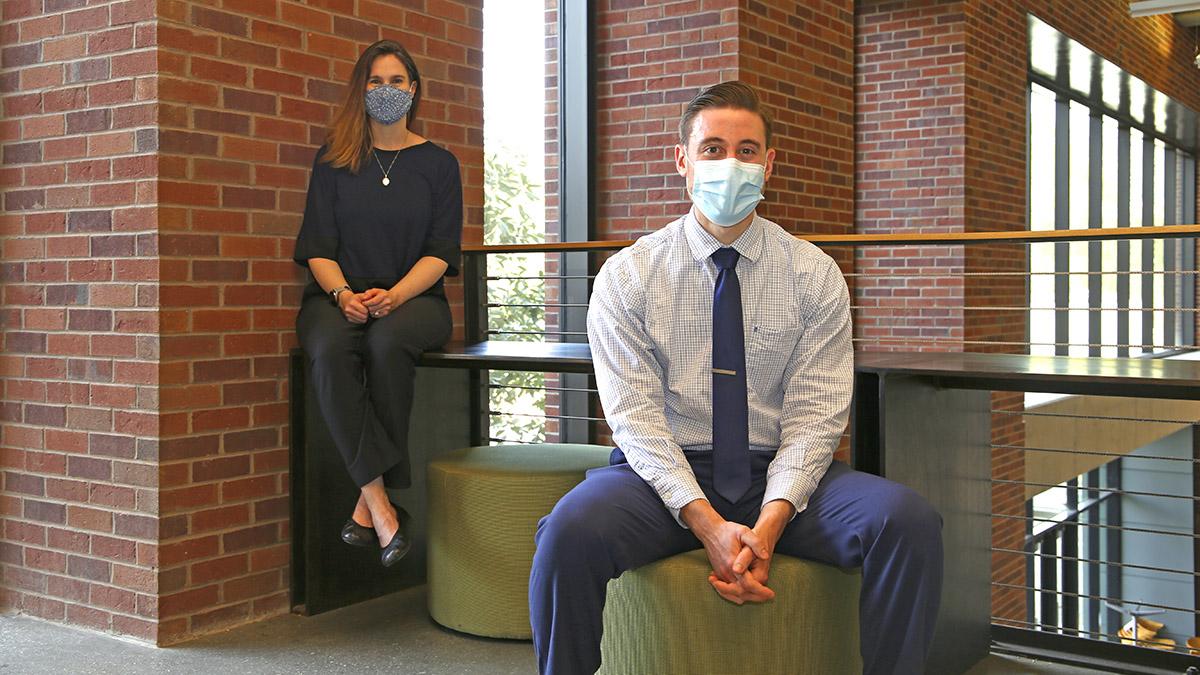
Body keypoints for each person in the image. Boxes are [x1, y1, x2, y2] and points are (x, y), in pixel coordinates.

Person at [528, 81, 943, 674]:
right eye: (713, 148)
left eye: (747, 151)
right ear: (683, 161)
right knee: (567, 532)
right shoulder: (628, 276)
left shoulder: (813, 274)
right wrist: (708, 523)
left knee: (908, 522)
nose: (731, 164)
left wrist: (769, 522)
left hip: (776, 472)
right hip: (661, 475)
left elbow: (816, 416)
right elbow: (635, 419)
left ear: (768, 164)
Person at [293, 40, 462, 568]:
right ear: (359, 90)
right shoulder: (334, 160)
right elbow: (317, 247)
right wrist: (343, 295)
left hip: (415, 296)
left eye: (396, 81)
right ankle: (383, 506)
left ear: (413, 90)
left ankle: (367, 507)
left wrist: (394, 296)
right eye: (374, 81)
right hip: (338, 292)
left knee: (388, 343)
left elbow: (440, 253)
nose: (385, 91)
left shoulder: (439, 164)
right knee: (326, 347)